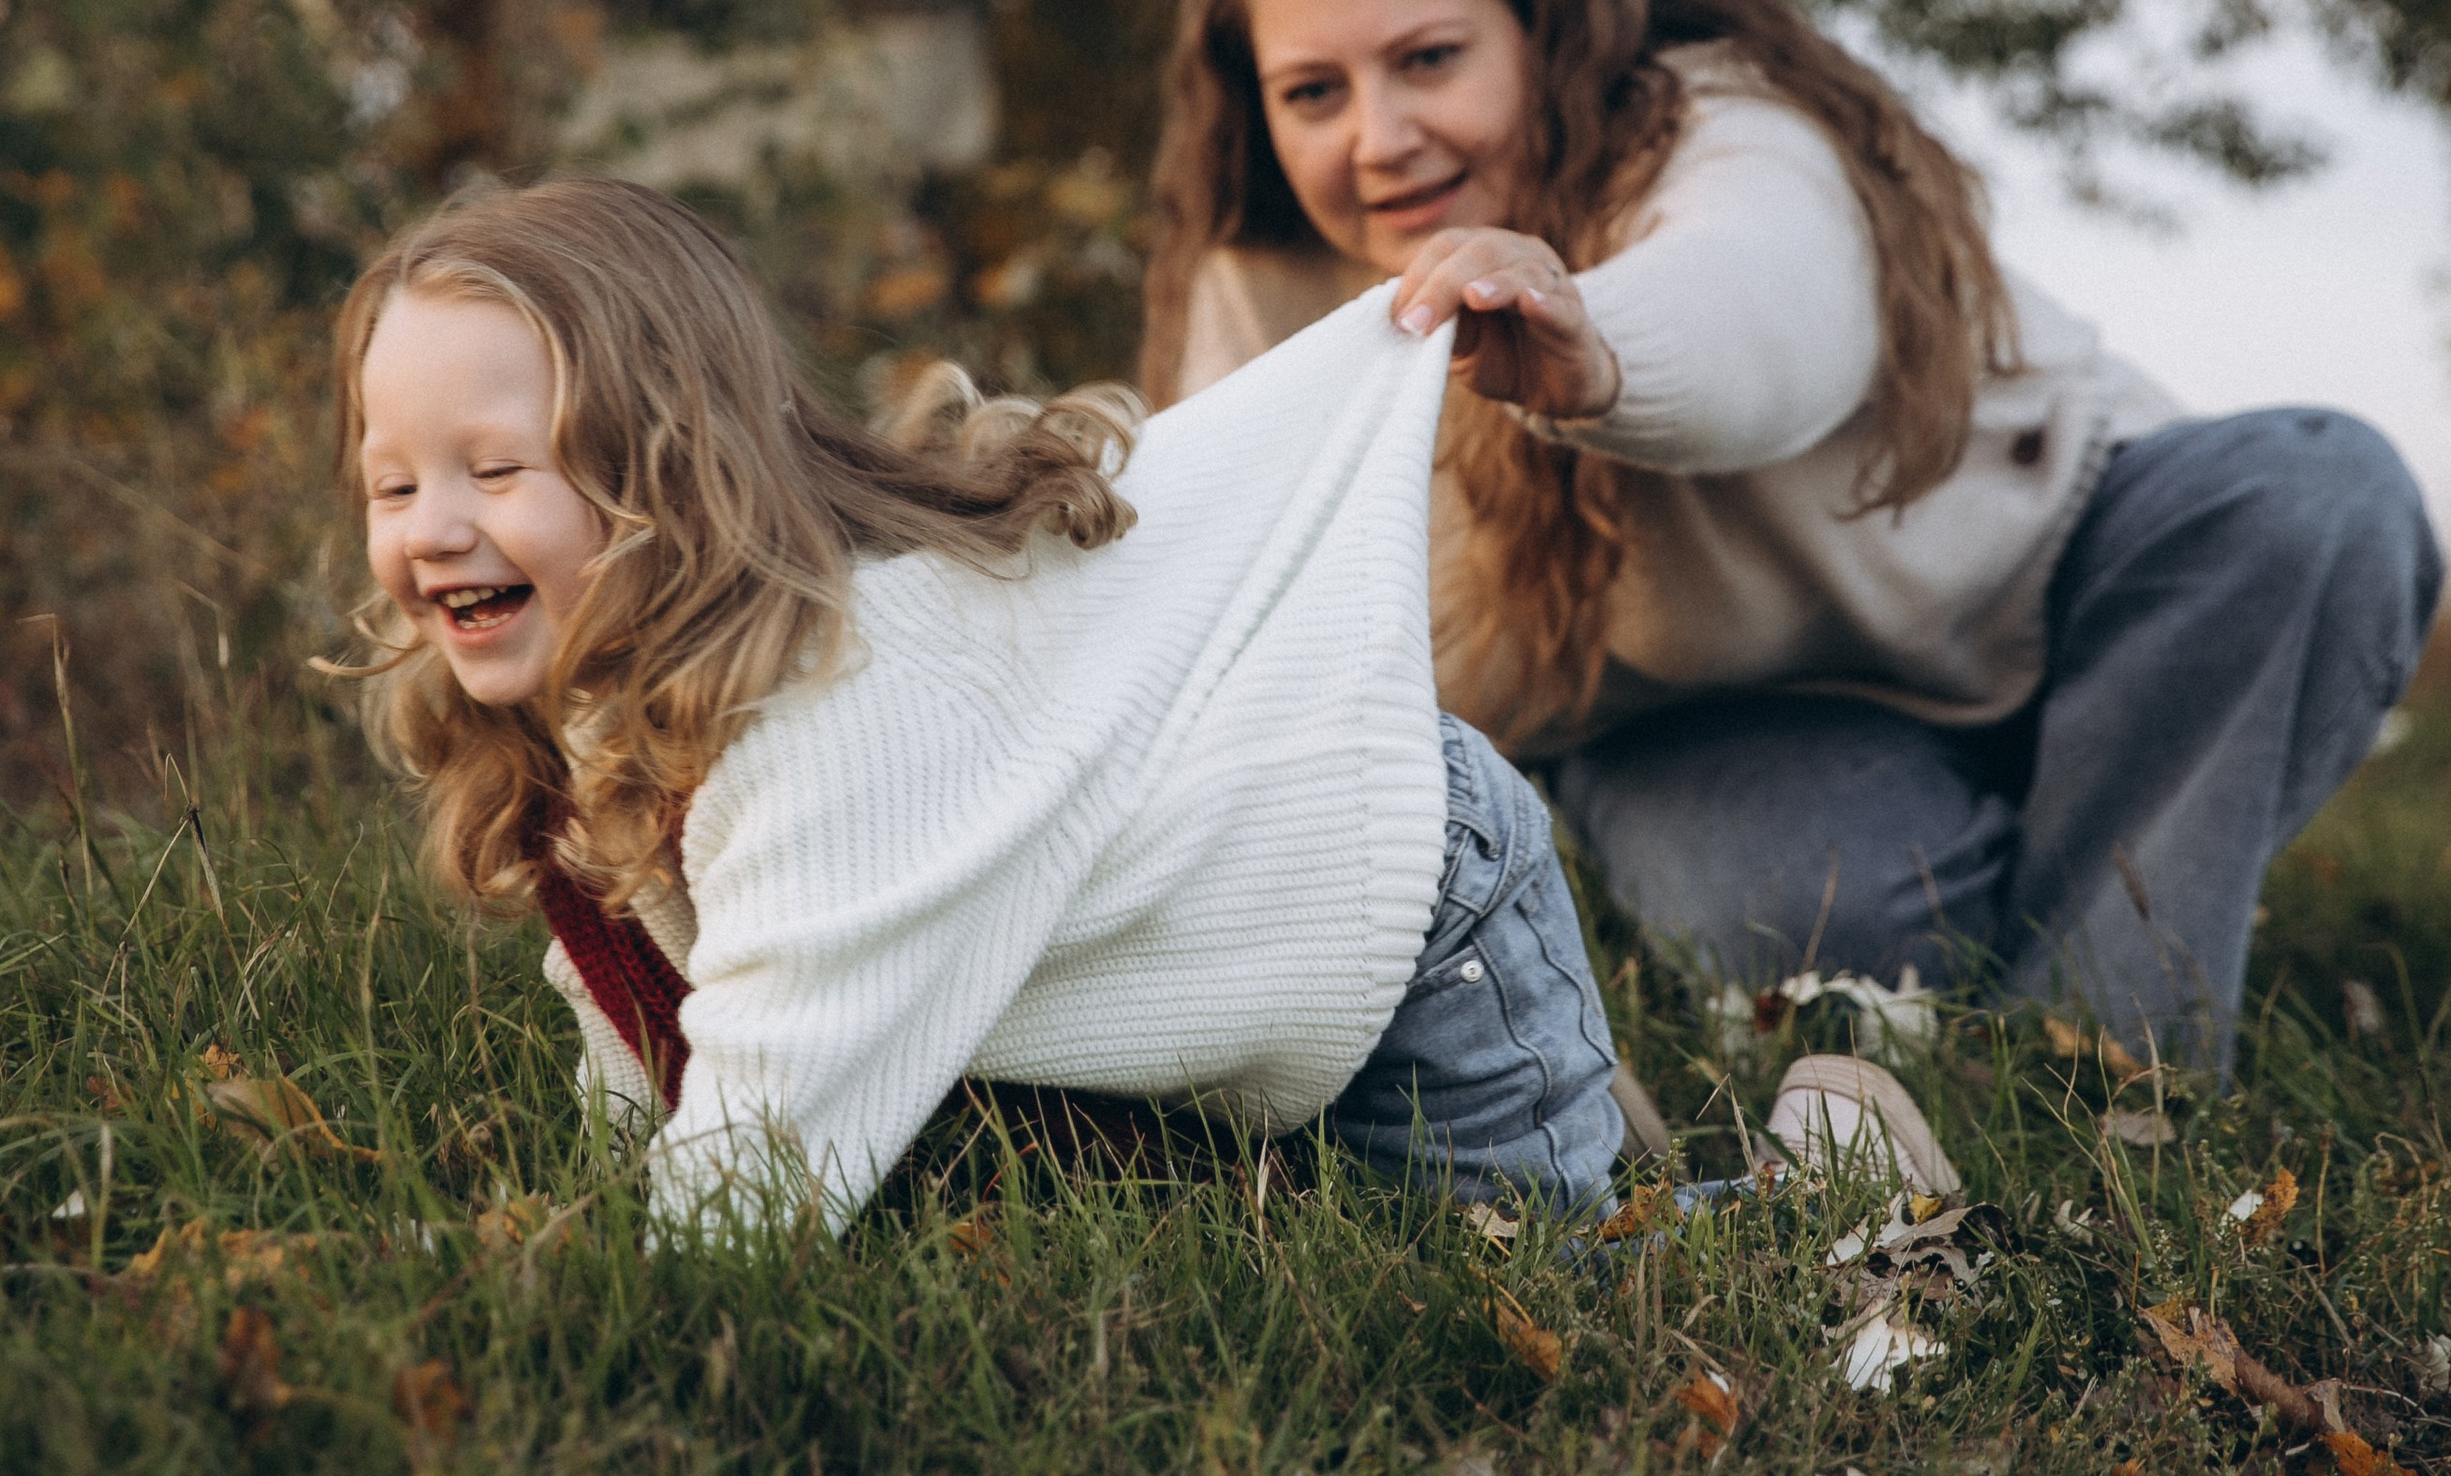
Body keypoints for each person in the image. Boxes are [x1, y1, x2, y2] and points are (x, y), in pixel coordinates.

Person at [1143, 0, 2443, 1069]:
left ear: (1542, 28)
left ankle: (2099, 1057)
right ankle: (2059, 881)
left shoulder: (1717, 121)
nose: (1381, 136)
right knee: (1838, 937)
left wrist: (1587, 341)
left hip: (2051, 589)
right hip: (1733, 716)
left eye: (1429, 58)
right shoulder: (1261, 287)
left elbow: (1769, 302)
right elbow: (1253, 607)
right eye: (1313, 90)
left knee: (2320, 491)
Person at [335, 175, 1634, 1224]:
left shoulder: (829, 714)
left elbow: (764, 1156)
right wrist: (610, 1187)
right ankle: (1594, 1099)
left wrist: (641, 1290)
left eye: (495, 468)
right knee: (1261, 1236)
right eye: (394, 486)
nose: (432, 530)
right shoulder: (605, 692)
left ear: (673, 472)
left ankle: (1801, 1147)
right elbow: (649, 988)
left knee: (1514, 1292)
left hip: (1405, 907)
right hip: (1215, 977)